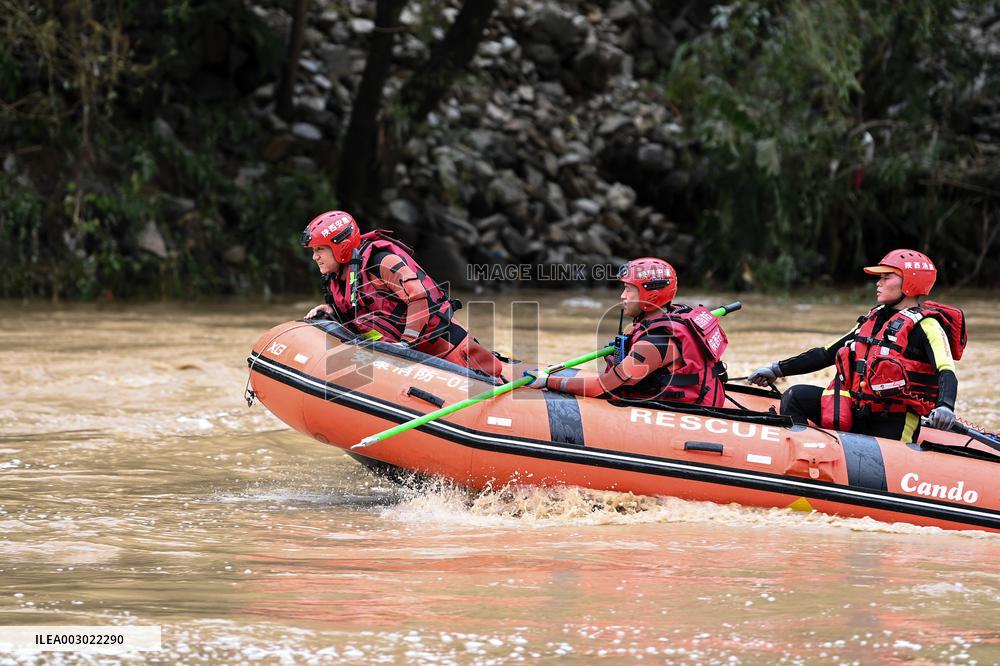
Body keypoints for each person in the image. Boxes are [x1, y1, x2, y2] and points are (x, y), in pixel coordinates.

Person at [748, 249, 965, 442]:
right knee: (795, 396)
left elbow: (945, 370)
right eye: (879, 278)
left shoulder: (928, 326)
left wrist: (945, 406)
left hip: (893, 420)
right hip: (857, 408)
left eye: (886, 277)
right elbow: (827, 353)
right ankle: (805, 455)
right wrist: (777, 369)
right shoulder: (873, 318)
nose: (878, 283)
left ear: (910, 283)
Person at [301, 210, 504, 378]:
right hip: (403, 360)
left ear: (340, 246)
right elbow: (362, 313)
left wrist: (405, 345)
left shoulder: (381, 262)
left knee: (490, 375)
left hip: (445, 347)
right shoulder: (334, 278)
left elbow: (418, 296)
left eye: (320, 249)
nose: (315, 256)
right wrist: (332, 312)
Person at [523, 257, 729, 405]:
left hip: (684, 414)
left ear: (651, 296)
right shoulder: (670, 314)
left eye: (629, 290)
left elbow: (600, 387)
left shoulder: (656, 342)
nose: (622, 296)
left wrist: (547, 381)